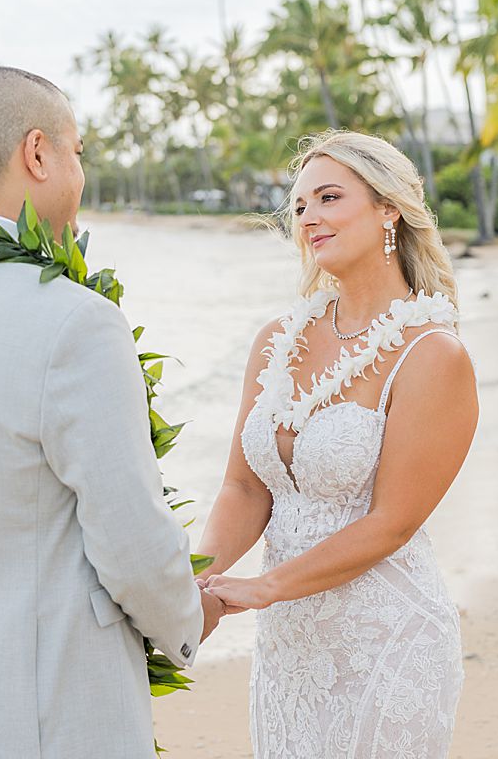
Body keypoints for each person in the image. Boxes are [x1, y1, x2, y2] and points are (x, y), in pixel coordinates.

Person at [0, 66, 224, 758]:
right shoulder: (76, 323)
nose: (80, 174)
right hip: (52, 704)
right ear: (37, 153)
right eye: (78, 152)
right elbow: (128, 532)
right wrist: (186, 616)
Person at [198, 130, 479, 758]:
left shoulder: (432, 355)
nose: (309, 218)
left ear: (389, 209)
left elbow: (392, 524)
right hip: (290, 648)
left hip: (387, 639)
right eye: (299, 207)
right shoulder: (279, 338)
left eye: (328, 197)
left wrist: (263, 587)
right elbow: (245, 487)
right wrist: (203, 579)